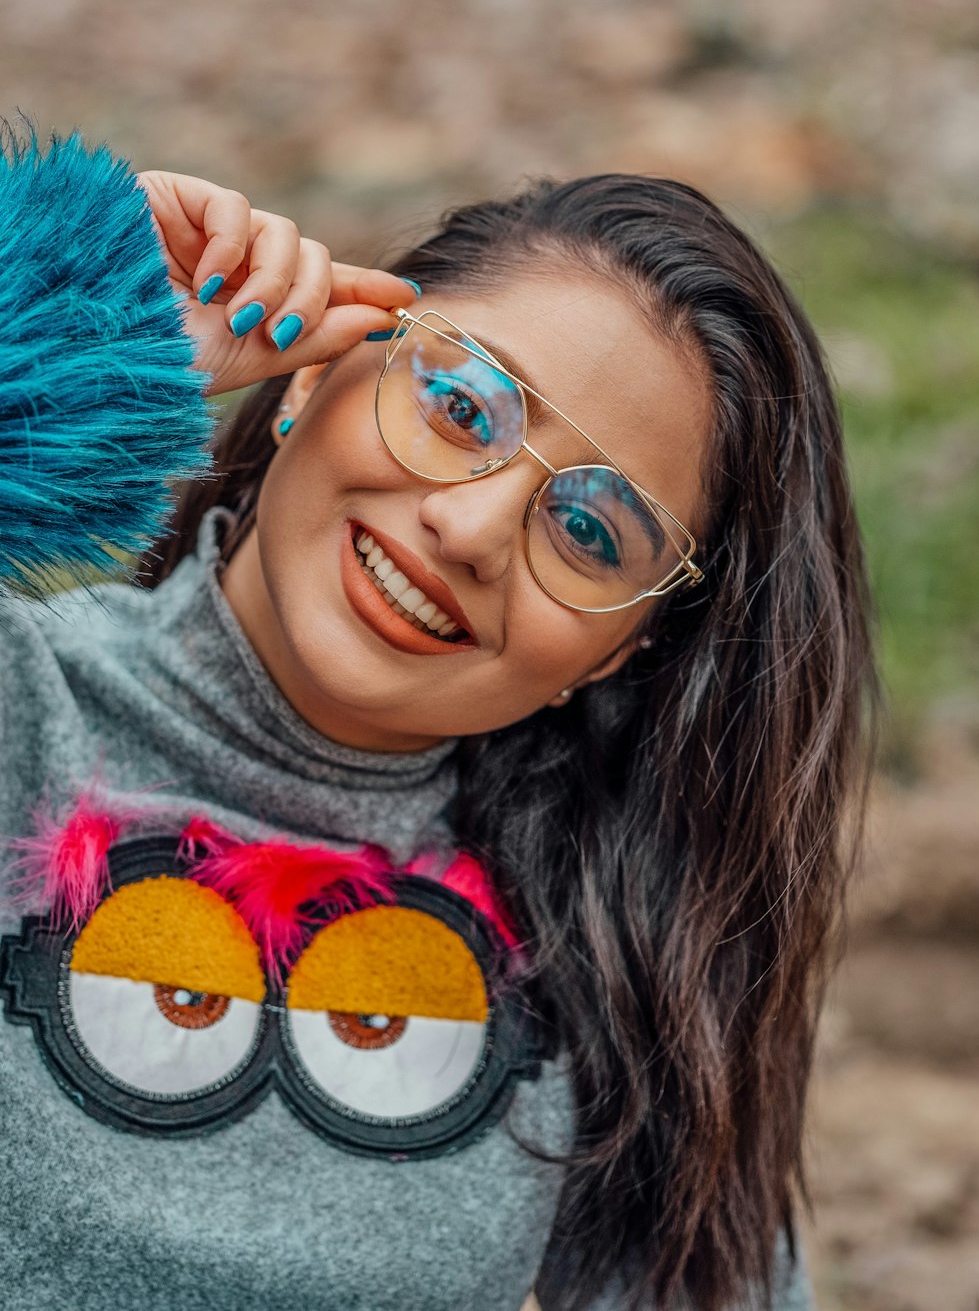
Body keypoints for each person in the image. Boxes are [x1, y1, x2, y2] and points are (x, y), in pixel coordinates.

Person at [0, 141, 875, 1311]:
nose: (469, 527)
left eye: (591, 531)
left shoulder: (608, 965)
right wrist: (47, 330)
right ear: (317, 370)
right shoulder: (24, 708)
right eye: (461, 406)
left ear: (619, 649)